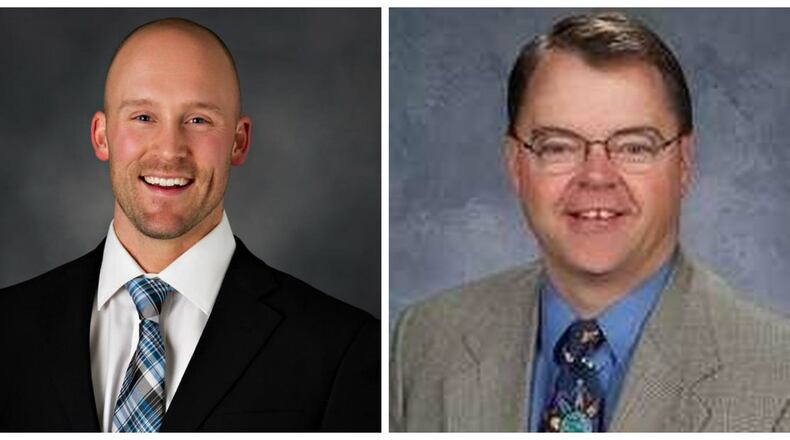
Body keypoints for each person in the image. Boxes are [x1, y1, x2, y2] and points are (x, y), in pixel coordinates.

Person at [390, 11, 790, 432]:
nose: (596, 176)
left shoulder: (777, 380)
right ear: (515, 165)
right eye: (559, 146)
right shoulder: (424, 342)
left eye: (635, 147)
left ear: (684, 163)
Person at [0, 17, 379, 432]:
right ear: (102, 136)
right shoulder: (10, 327)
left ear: (238, 142)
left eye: (198, 120)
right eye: (143, 117)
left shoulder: (342, 347)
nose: (169, 150)